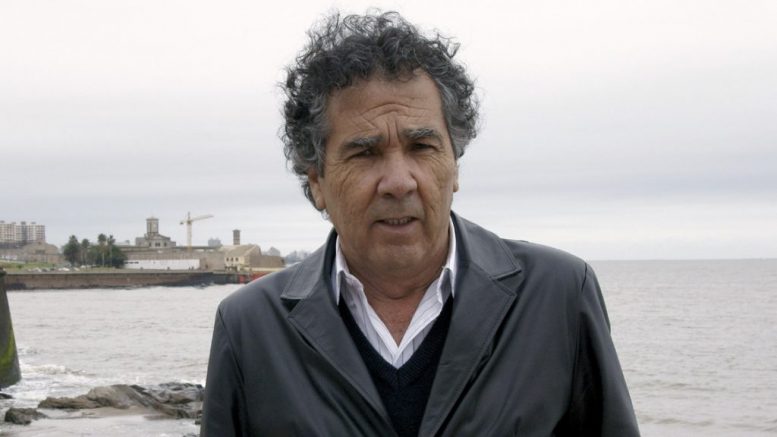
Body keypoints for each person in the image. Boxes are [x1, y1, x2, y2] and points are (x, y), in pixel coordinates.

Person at [201, 11, 640, 437]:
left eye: (422, 147)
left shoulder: (559, 295)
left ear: (455, 165)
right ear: (317, 182)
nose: (399, 182)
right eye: (365, 153)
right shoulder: (249, 328)